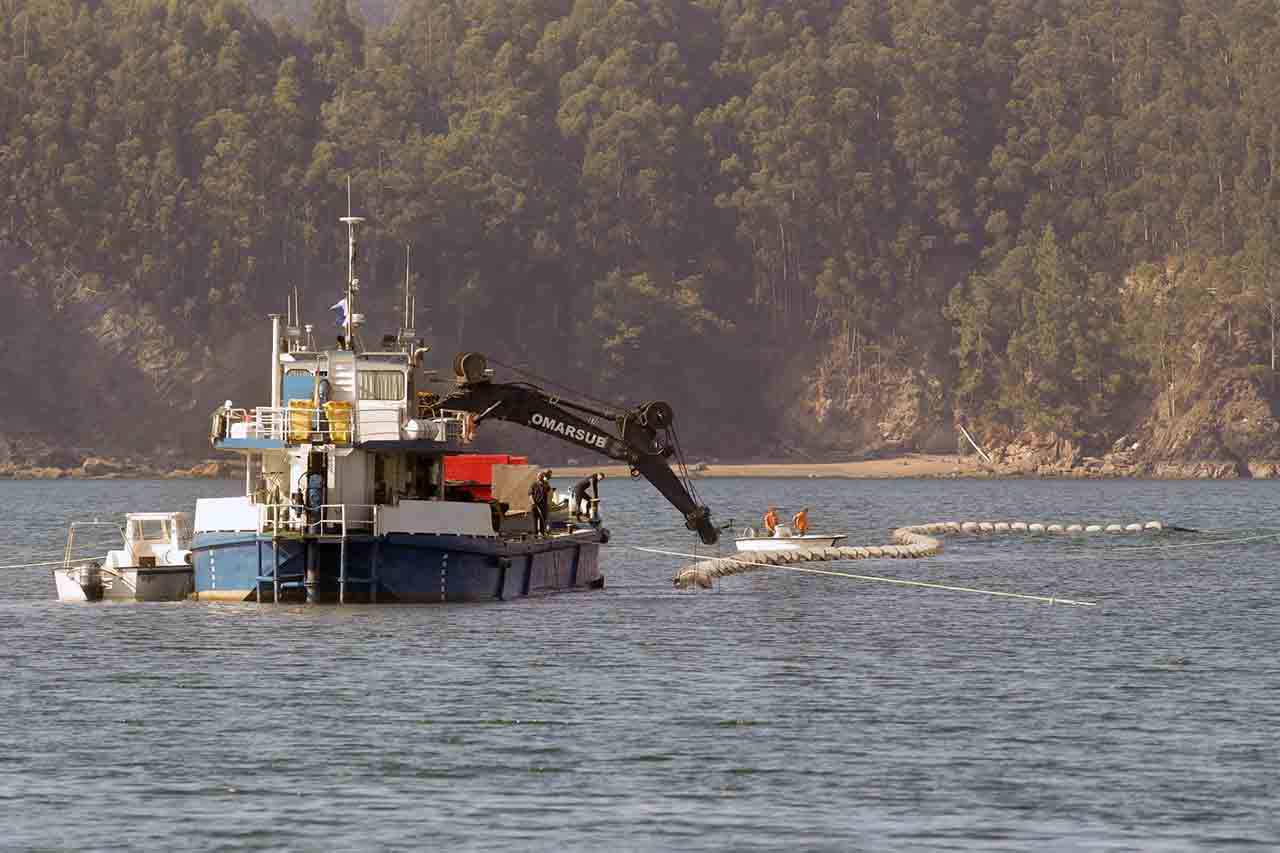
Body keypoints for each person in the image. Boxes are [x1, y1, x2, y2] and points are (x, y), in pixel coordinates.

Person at [529, 471, 551, 536]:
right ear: (537, 477)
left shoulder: (545, 484)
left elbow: (549, 491)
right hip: (535, 505)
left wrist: (545, 482)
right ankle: (535, 534)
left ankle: (542, 532)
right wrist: (533, 503)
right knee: (535, 520)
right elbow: (530, 494)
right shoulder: (534, 484)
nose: (540, 477)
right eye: (539, 476)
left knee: (543, 519)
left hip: (543, 505)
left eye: (542, 476)